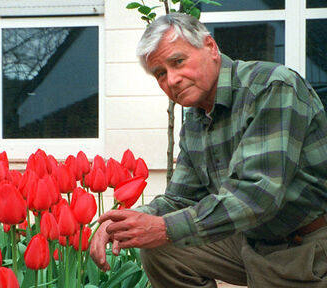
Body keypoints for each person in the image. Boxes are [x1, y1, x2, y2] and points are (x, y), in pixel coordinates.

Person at [90, 12, 327, 287]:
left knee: (166, 235)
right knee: (162, 250)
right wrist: (128, 223)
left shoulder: (271, 87)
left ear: (210, 48)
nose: (172, 79)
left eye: (178, 61)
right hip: (252, 242)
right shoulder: (195, 119)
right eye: (160, 74)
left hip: (308, 245)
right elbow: (181, 199)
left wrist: (163, 228)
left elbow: (256, 196)